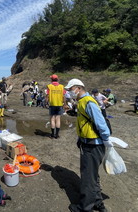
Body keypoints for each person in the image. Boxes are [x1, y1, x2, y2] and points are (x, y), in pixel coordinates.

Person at [65, 78, 111, 212]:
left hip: (92, 145)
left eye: (70, 89)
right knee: (93, 176)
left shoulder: (88, 102)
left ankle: (85, 207)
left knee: (87, 178)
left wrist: (106, 138)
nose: (69, 92)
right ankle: (98, 202)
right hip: (89, 143)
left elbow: (101, 123)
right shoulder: (82, 102)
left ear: (78, 88)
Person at [46, 74, 66, 139]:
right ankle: (57, 135)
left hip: (52, 105)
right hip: (59, 104)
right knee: (58, 119)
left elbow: (47, 95)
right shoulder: (61, 86)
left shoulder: (49, 86)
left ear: (51, 79)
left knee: (52, 119)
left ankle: (52, 134)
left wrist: (46, 102)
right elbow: (64, 96)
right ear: (57, 79)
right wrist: (65, 104)